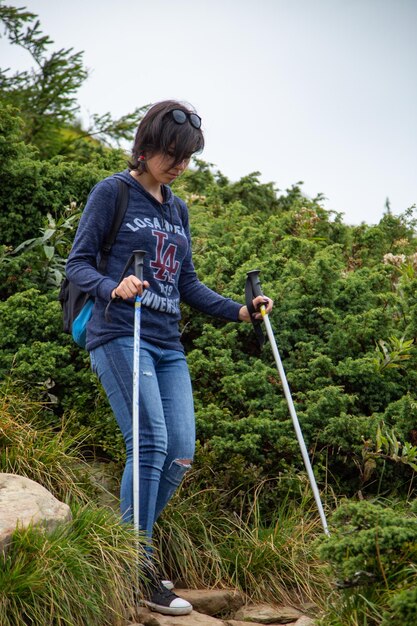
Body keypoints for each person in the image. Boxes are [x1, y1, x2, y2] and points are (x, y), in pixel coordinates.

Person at [66, 99, 273, 616]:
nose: (180, 165)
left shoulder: (176, 207)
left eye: (188, 157)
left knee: (180, 449)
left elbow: (187, 284)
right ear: (147, 147)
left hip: (166, 342)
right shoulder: (112, 192)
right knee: (150, 441)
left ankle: (123, 548)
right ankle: (138, 565)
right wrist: (114, 285)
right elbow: (77, 265)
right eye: (172, 155)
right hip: (119, 332)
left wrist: (241, 312)